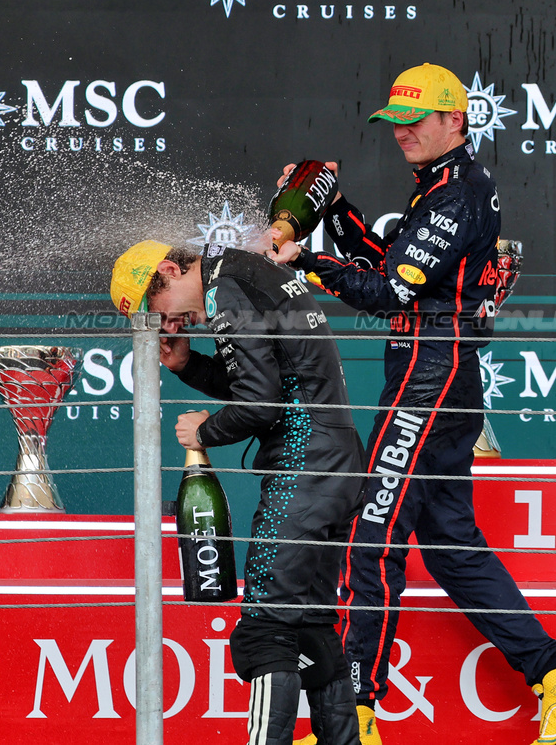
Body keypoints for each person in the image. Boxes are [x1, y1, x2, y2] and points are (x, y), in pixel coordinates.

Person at [268, 63, 556, 745]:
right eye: (395, 123)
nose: (403, 134)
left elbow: (387, 292)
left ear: (456, 120)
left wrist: (303, 263)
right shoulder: (441, 189)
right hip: (438, 373)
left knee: (372, 534)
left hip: (429, 374)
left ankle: (353, 716)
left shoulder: (458, 195)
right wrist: (331, 208)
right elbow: (390, 263)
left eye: (416, 121)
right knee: (450, 544)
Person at [110, 240, 367, 745]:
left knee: (266, 630)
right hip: (335, 464)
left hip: (303, 467)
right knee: (311, 626)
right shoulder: (243, 271)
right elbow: (268, 375)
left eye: (155, 310)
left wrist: (203, 432)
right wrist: (189, 366)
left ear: (168, 269)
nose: (165, 324)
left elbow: (260, 404)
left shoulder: (225, 288)